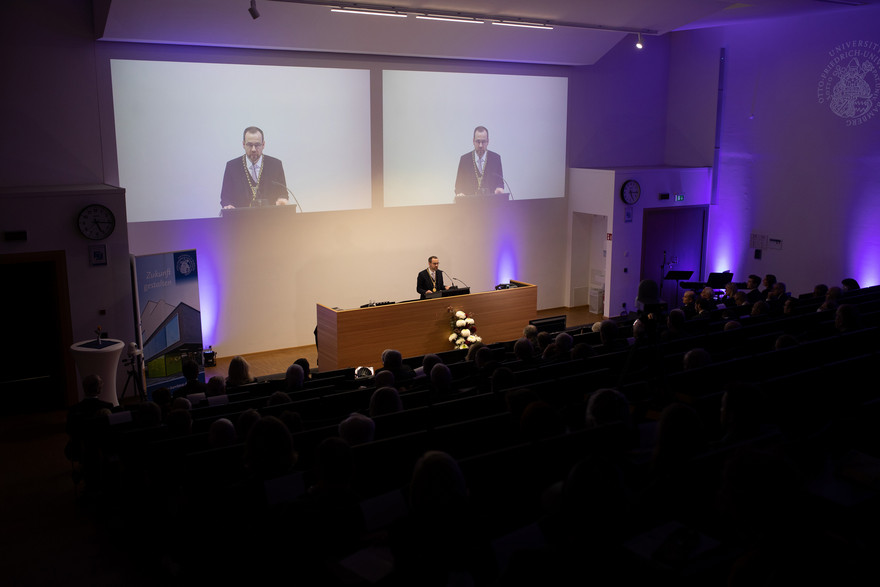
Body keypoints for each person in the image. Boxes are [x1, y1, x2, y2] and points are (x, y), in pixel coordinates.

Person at [220, 126, 289, 209]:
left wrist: (282, 200)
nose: (253, 149)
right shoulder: (232, 166)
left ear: (263, 145)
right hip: (241, 220)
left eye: (257, 145)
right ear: (243, 144)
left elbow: (283, 193)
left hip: (270, 219)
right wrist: (228, 205)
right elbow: (225, 198)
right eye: (249, 145)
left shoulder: (275, 165)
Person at [454, 126, 504, 197]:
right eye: (478, 141)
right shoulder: (464, 160)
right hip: (469, 205)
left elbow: (500, 183)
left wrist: (499, 189)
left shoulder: (495, 159)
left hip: (491, 205)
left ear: (488, 142)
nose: (480, 145)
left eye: (483, 142)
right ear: (473, 141)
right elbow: (458, 186)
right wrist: (460, 193)